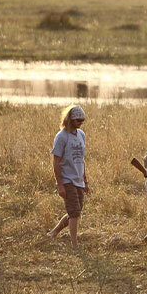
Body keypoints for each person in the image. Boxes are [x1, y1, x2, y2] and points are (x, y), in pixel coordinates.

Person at [46, 105, 89, 248]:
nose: (80, 123)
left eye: (82, 120)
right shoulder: (61, 136)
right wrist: (60, 184)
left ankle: (53, 232)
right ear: (70, 119)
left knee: (74, 212)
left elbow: (81, 159)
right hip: (67, 179)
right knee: (74, 212)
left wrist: (85, 180)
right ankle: (74, 244)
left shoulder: (81, 134)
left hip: (78, 180)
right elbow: (56, 161)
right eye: (78, 120)